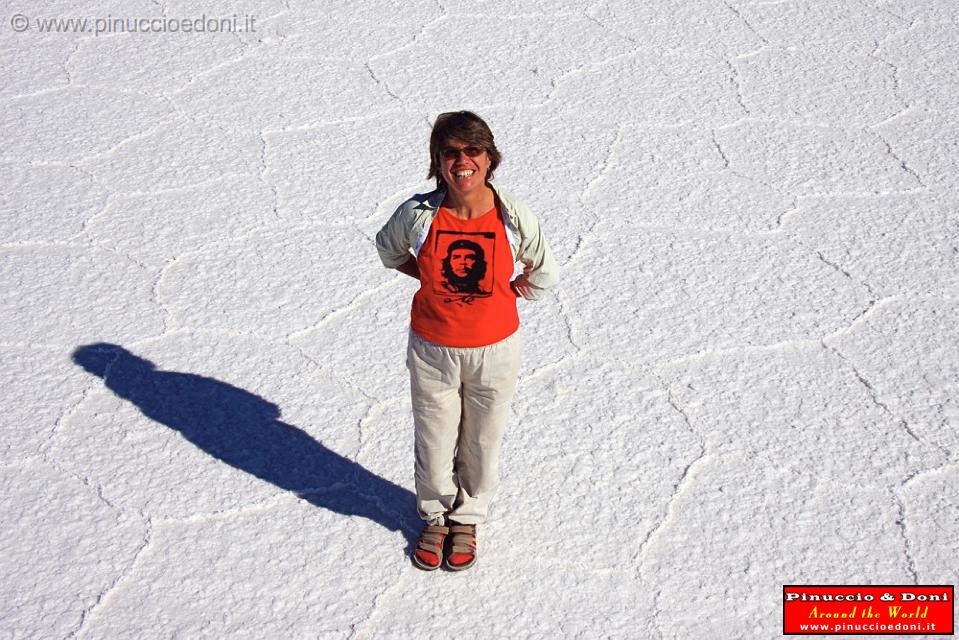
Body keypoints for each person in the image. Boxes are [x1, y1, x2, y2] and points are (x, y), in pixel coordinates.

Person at [375, 111, 558, 571]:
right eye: (451, 152)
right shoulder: (419, 214)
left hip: (495, 352)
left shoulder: (512, 215)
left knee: (481, 441)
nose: (463, 162)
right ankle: (435, 518)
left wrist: (513, 293)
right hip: (433, 351)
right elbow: (387, 249)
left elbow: (546, 272)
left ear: (489, 158)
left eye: (472, 151)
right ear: (438, 161)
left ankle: (467, 519)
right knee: (435, 441)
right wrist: (425, 275)